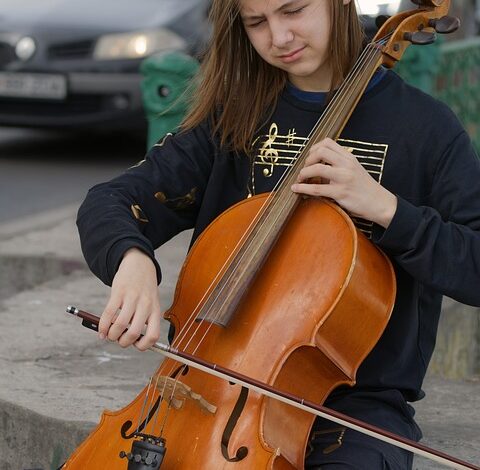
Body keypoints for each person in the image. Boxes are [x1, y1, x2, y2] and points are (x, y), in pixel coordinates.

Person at [77, 0, 480, 468]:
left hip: (352, 413)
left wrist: (388, 210)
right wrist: (132, 261)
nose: (280, 38)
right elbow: (109, 202)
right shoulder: (234, 121)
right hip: (203, 386)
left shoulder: (426, 130)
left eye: (294, 11)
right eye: (257, 22)